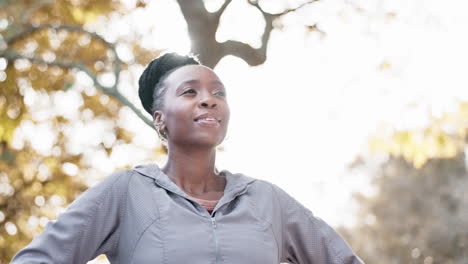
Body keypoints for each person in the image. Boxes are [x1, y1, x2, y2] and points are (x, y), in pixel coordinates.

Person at [11, 53, 364, 264]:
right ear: (160, 118)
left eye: (218, 93)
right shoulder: (127, 193)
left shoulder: (267, 200)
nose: (209, 100)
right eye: (190, 92)